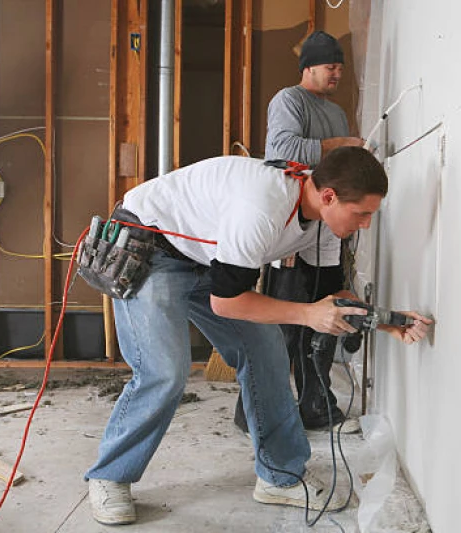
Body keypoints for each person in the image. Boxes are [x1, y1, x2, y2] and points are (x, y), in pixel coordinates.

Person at [84, 147, 433, 525]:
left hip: (208, 257)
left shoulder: (325, 224)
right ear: (329, 196)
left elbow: (331, 297)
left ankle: (280, 476)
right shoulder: (262, 209)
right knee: (164, 371)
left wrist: (387, 322)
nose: (365, 224)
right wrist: (307, 315)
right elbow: (226, 302)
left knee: (267, 352)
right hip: (151, 246)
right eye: (361, 213)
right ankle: (109, 476)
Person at [234, 31, 365, 437]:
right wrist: (341, 145)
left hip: (327, 232)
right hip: (293, 228)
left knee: (323, 320)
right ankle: (253, 412)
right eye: (330, 67)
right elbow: (282, 150)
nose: (337, 74)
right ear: (308, 67)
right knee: (283, 330)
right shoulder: (288, 100)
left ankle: (315, 404)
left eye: (340, 68)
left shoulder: (336, 113)